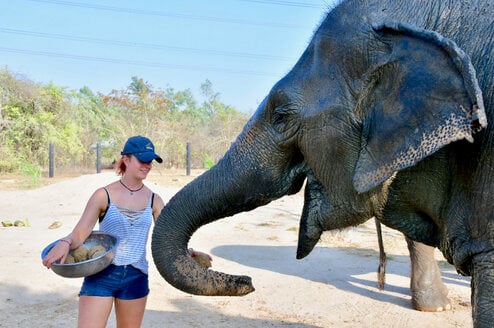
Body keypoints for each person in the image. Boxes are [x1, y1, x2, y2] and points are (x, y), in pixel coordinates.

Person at [42, 135, 211, 327]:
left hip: (136, 276)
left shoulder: (154, 200)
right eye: (142, 160)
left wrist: (188, 253)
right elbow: (80, 233)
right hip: (101, 275)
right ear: (126, 159)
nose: (148, 165)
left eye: (151, 161)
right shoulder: (103, 195)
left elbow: (169, 239)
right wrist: (64, 243)